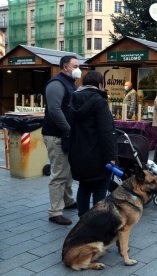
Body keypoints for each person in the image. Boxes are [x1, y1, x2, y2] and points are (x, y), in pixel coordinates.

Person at [68, 71, 117, 217]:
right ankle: (97, 222)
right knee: (100, 190)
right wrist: (111, 156)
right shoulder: (100, 102)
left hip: (78, 154)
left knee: (84, 186)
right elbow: (106, 132)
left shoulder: (74, 99)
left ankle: (83, 219)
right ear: (100, 84)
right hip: (98, 155)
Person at [42, 55, 81, 225]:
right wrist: (68, 128)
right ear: (65, 67)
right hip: (56, 134)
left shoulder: (69, 83)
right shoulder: (56, 84)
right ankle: (55, 212)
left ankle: (68, 201)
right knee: (59, 174)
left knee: (68, 170)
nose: (78, 68)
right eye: (75, 65)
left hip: (65, 134)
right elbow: (55, 110)